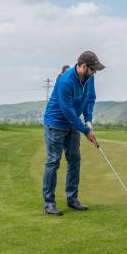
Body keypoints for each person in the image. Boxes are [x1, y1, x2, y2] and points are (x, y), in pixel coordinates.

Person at [42, 51, 105, 215]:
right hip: (55, 123)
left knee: (74, 160)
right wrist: (85, 131)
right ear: (83, 66)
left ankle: (72, 199)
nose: (95, 72)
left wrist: (88, 122)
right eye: (93, 69)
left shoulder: (89, 78)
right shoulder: (65, 81)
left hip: (73, 123)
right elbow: (68, 111)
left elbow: (90, 99)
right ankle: (49, 203)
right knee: (53, 161)